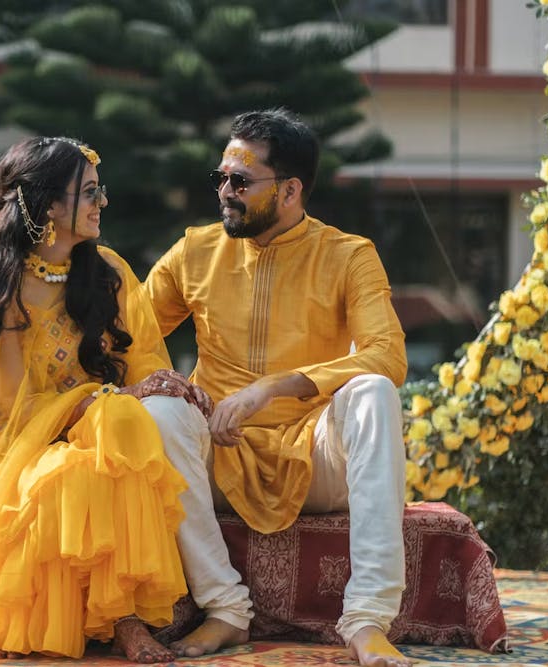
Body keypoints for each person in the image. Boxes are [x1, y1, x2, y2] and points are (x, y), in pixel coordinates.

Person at [0, 136, 211, 663]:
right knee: (86, 457)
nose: (102, 203)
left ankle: (124, 619)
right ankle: (96, 620)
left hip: (102, 434)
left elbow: (147, 361)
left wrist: (146, 393)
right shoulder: (0, 285)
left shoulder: (109, 273)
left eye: (100, 191)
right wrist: (103, 401)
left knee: (119, 430)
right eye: (89, 193)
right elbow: (12, 406)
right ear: (49, 206)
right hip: (18, 446)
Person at [144, 109, 413, 667]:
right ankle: (225, 608)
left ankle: (366, 620)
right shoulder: (194, 251)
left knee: (374, 393)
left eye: (241, 182)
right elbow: (128, 335)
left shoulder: (348, 255)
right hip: (219, 453)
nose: (225, 192)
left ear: (290, 190)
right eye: (221, 178)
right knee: (162, 414)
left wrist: (274, 388)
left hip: (313, 455)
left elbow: (386, 355)